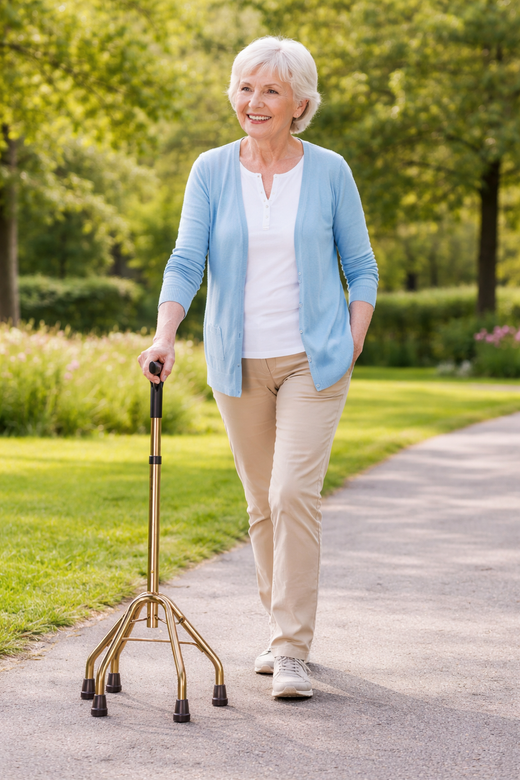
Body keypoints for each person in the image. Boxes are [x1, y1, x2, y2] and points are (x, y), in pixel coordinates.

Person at [138, 36, 378, 700]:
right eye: (245, 87)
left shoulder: (329, 171)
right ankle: (280, 630)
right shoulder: (211, 170)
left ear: (300, 102)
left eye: (271, 89)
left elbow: (361, 267)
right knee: (261, 503)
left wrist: (352, 340)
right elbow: (186, 260)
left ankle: (292, 649)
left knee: (291, 493)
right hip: (237, 361)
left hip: (312, 359)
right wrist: (165, 336)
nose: (255, 101)